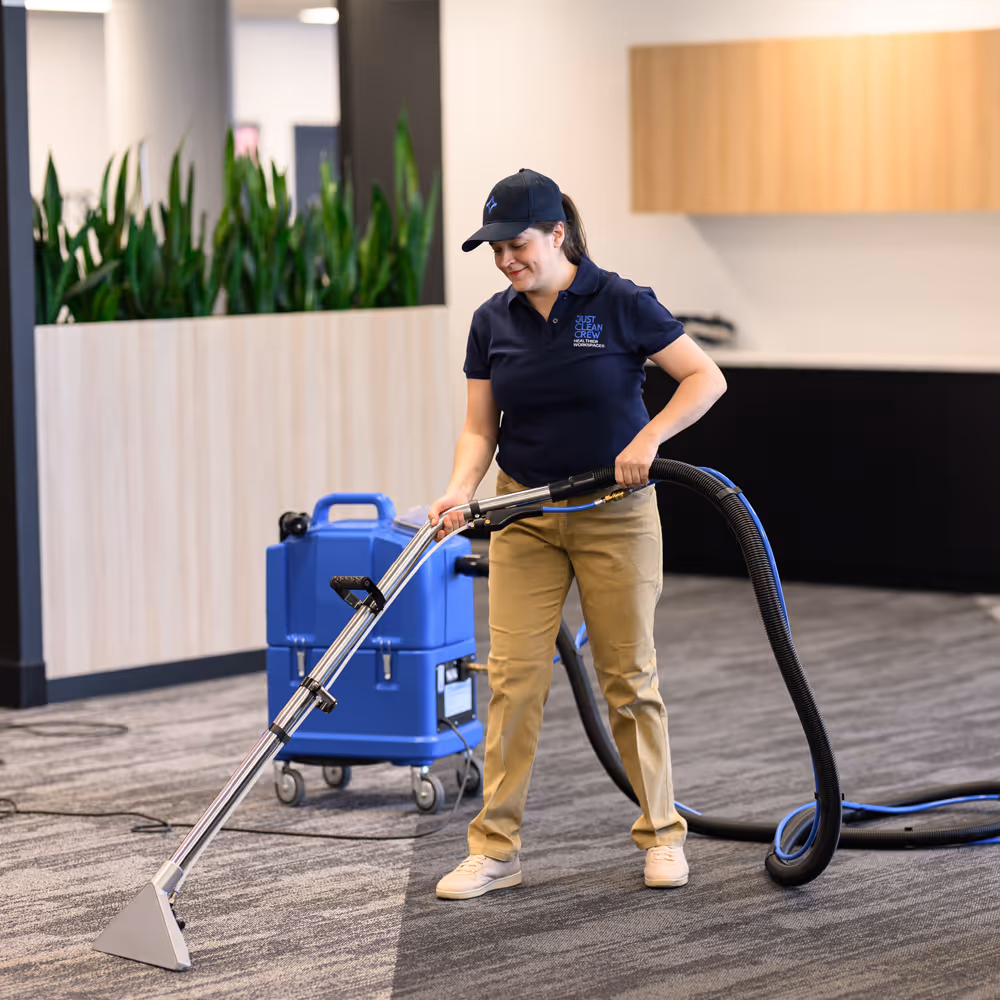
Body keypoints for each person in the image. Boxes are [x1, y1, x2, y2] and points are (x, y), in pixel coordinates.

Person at [429, 168, 727, 900]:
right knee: (512, 682)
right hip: (522, 514)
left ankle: (662, 835)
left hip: (614, 516)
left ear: (557, 233)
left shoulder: (619, 300)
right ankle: (495, 849)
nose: (505, 260)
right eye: (495, 249)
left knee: (627, 680)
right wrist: (460, 490)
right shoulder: (491, 320)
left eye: (517, 244)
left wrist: (650, 439)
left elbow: (704, 378)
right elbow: (480, 426)